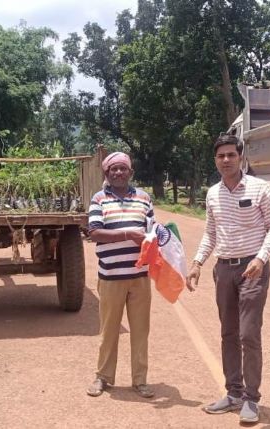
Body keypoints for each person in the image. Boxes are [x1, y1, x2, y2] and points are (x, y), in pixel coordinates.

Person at [187, 134, 270, 423]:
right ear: (215, 160)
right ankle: (233, 394)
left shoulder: (259, 188)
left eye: (231, 154)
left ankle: (251, 399)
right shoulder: (213, 193)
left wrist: (260, 258)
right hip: (224, 270)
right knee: (228, 333)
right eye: (221, 156)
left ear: (241, 157)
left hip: (252, 269)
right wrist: (197, 262)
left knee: (248, 334)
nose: (226, 160)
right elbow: (211, 233)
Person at [86, 152, 155, 399]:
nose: (118, 173)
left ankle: (140, 380)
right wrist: (128, 234)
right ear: (106, 173)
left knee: (140, 331)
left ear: (130, 172)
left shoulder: (144, 198)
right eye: (113, 169)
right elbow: (94, 232)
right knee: (109, 330)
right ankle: (103, 377)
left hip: (140, 276)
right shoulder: (99, 199)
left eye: (122, 168)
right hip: (110, 277)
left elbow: (152, 232)